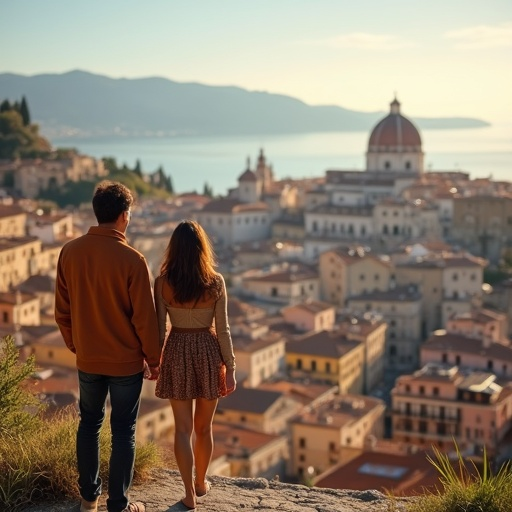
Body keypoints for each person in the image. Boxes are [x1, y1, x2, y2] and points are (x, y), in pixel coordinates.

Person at [55, 181, 162, 512]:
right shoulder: (132, 260)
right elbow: (144, 318)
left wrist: (76, 344)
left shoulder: (70, 252)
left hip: (88, 358)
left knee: (88, 425)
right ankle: (119, 505)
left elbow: (63, 310)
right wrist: (154, 359)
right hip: (126, 363)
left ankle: (89, 500)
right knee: (123, 432)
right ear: (124, 216)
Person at [154, 220, 236, 510]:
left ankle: (188, 493)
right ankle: (201, 483)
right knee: (204, 428)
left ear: (173, 249)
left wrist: (154, 362)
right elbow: (223, 329)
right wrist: (232, 367)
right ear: (203, 249)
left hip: (176, 351)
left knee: (182, 430)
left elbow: (159, 329)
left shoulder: (162, 283)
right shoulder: (215, 283)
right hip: (208, 353)